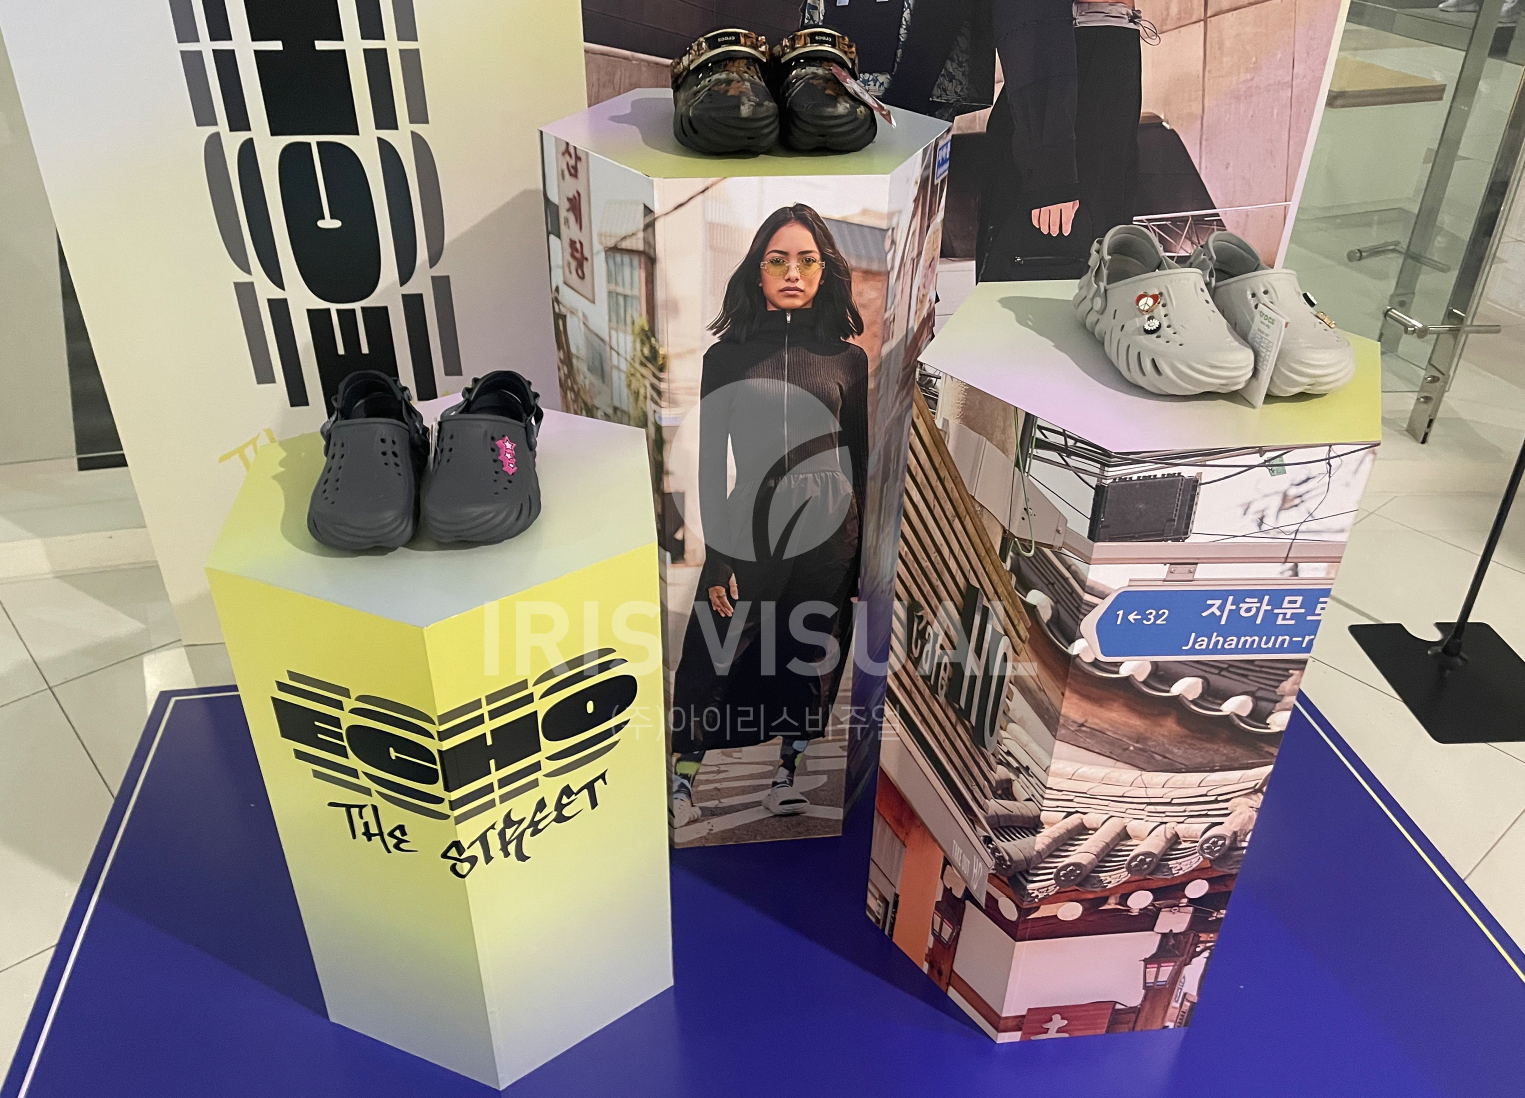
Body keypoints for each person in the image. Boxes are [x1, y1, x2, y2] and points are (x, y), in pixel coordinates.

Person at [669, 205, 869, 830]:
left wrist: (861, 558)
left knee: (809, 655)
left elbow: (859, 458)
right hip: (750, 524)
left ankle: (787, 775)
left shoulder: (848, 360)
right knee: (717, 650)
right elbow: (709, 462)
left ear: (824, 271)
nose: (792, 272)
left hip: (831, 531)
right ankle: (683, 781)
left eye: (806, 260)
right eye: (777, 260)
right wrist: (718, 555)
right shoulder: (725, 358)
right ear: (757, 269)